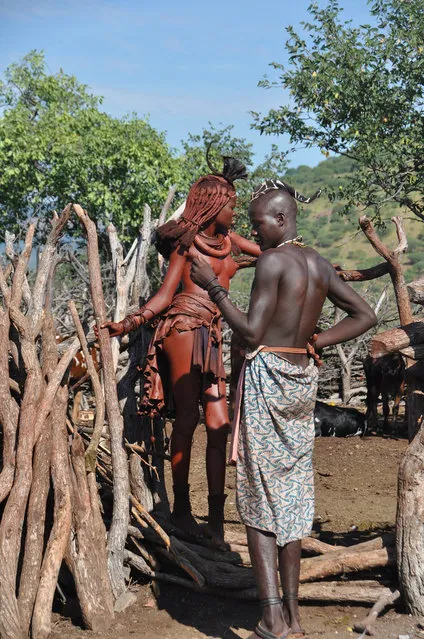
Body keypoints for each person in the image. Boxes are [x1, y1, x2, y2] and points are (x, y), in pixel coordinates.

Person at [190, 178, 377, 639]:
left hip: (269, 378)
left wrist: (213, 287)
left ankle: (271, 619)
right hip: (301, 381)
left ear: (280, 219)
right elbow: (366, 316)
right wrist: (318, 341)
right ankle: (293, 617)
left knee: (256, 498)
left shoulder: (273, 262)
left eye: (257, 224)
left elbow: (251, 334)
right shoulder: (316, 263)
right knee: (291, 498)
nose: (255, 234)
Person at [99, 155, 260, 547]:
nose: (235, 213)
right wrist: (129, 323)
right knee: (187, 420)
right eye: (231, 207)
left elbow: (267, 254)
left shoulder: (227, 242)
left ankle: (218, 521)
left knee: (220, 425)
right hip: (183, 329)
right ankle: (184, 512)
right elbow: (165, 296)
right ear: (211, 207)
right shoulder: (186, 249)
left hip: (212, 332)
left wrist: (305, 262)